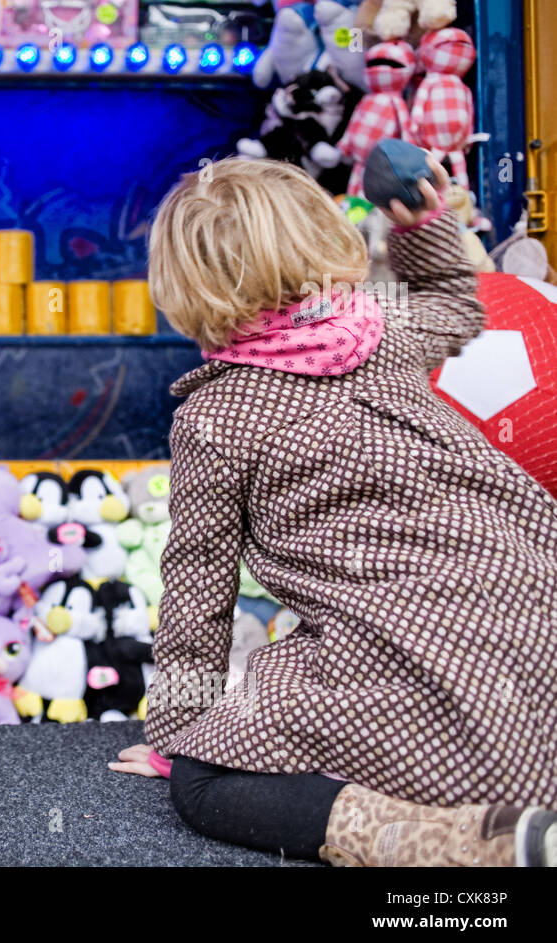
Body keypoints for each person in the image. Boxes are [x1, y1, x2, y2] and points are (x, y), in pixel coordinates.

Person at [109, 157, 557, 867]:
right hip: (541, 632)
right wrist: (424, 224)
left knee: (203, 779)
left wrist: (180, 734)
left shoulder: (216, 419)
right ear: (323, 238)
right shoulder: (387, 335)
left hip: (428, 676)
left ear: (185, 286)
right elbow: (456, 302)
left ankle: (468, 845)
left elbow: (198, 593)